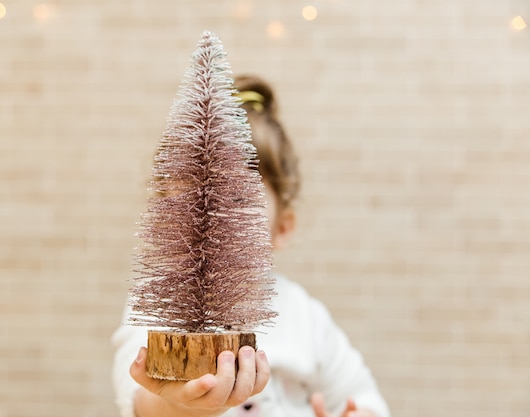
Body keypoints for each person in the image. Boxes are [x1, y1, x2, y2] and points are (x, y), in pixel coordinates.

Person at [111, 75, 391, 417]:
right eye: (189, 202)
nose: (211, 221)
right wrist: (176, 403)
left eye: (236, 200)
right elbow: (137, 401)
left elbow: (362, 398)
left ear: (282, 227)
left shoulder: (305, 317)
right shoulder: (161, 306)